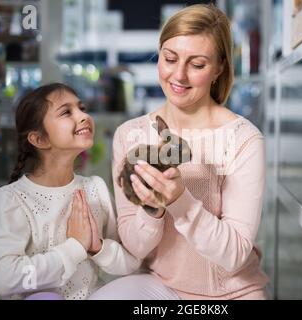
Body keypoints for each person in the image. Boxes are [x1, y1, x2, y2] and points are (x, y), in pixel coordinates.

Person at [89, 4, 269, 300]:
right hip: (164, 289)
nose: (179, 76)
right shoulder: (130, 135)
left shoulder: (244, 139)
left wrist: (180, 201)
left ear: (220, 67)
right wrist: (153, 208)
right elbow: (135, 248)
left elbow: (235, 255)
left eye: (197, 65)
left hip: (233, 295)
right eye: (170, 58)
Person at [0, 83, 141, 300]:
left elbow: (130, 264)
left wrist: (98, 248)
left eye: (82, 108)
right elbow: (5, 279)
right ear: (40, 139)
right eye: (67, 112)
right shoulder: (9, 199)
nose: (83, 116)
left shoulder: (96, 188)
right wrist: (75, 247)